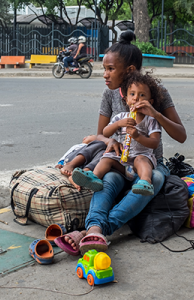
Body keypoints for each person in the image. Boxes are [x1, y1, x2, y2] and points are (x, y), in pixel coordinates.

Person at [55, 30, 186, 256]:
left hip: (148, 163)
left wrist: (155, 112)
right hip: (120, 162)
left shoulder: (155, 92)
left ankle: (97, 230)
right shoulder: (111, 94)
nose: (105, 75)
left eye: (110, 69)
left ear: (129, 70)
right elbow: (100, 135)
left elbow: (181, 136)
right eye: (104, 69)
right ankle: (95, 227)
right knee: (108, 178)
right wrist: (110, 141)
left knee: (153, 177)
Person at [72, 71, 164, 196]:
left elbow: (154, 143)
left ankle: (145, 182)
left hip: (140, 164)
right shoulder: (121, 117)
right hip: (123, 164)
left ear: (150, 102)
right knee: (107, 158)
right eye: (132, 94)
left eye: (142, 95)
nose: (136, 98)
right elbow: (105, 132)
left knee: (141, 159)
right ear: (126, 99)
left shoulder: (151, 120)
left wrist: (137, 136)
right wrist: (118, 124)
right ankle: (94, 178)